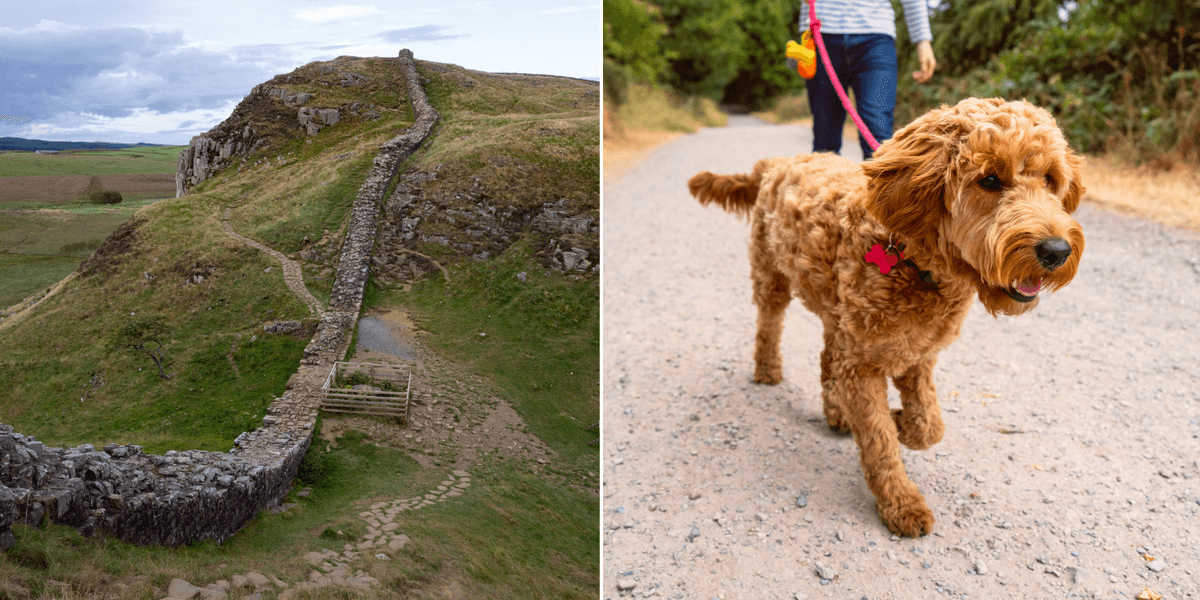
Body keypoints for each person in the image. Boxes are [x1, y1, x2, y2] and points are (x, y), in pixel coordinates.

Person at [799, 0, 936, 159]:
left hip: (876, 40)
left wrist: (923, 40)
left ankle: (881, 181)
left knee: (877, 125)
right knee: (824, 134)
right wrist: (804, 37)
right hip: (822, 35)